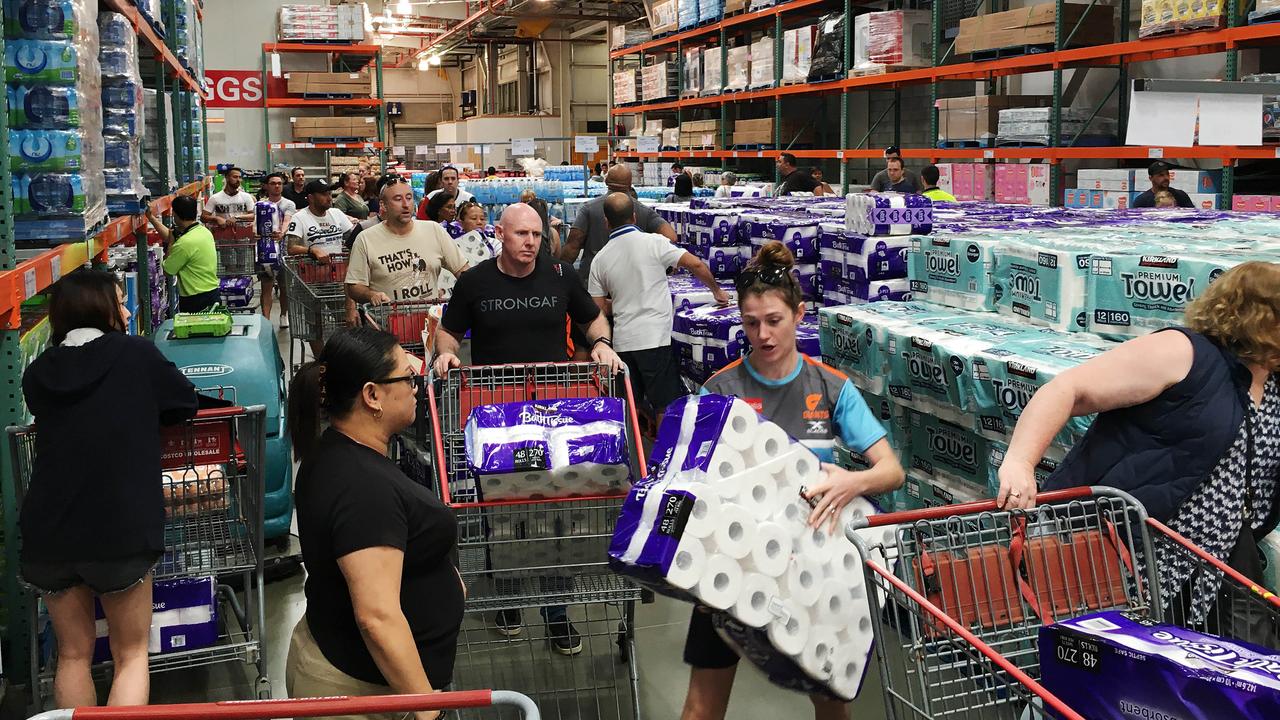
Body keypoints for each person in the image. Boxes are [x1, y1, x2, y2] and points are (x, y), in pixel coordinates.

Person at [680, 241, 904, 720]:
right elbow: (690, 487)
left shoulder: (829, 387)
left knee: (830, 704)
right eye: (750, 322)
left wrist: (852, 483)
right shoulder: (719, 390)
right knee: (702, 708)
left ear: (799, 315)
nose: (762, 334)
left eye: (774, 321)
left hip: (810, 571)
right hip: (733, 569)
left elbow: (891, 469)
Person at [996, 261, 1279, 636]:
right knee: (1108, 671)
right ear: (1261, 317)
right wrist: (1019, 461)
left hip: (1218, 564)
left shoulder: (1272, 384)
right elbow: (1068, 390)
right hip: (1128, 549)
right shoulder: (1183, 353)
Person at [433, 204, 623, 655]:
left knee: (557, 509)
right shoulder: (475, 281)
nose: (530, 243)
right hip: (497, 415)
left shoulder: (560, 274)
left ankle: (557, 612)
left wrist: (601, 343)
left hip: (556, 415)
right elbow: (448, 331)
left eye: (537, 235)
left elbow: (592, 316)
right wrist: (446, 354)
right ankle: (510, 600)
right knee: (503, 512)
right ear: (500, 233)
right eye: (521, 234)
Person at [20, 270, 198, 708]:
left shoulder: (39, 373)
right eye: (120, 301)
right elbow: (184, 401)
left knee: (73, 654)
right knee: (131, 654)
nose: (127, 309)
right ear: (101, 307)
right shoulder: (136, 354)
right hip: (120, 526)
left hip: (50, 530)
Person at [287, 327, 463, 719]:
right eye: (406, 377)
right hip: (362, 694)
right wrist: (426, 710)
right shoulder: (363, 488)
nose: (416, 384)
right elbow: (377, 617)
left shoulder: (338, 449)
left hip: (358, 676)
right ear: (372, 395)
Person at [589, 192, 728, 416]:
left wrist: (625, 301)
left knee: (629, 408)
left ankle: (632, 450)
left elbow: (598, 308)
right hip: (655, 340)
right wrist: (717, 291)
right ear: (634, 217)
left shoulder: (600, 259)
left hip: (623, 344)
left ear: (606, 222)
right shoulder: (655, 243)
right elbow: (696, 265)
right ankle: (662, 450)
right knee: (665, 405)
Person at [346, 178, 468, 305]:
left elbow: (462, 270)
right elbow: (354, 286)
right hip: (387, 321)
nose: (405, 204)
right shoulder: (365, 239)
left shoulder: (434, 230)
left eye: (409, 198)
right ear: (383, 205)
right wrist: (371, 295)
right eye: (398, 199)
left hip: (429, 319)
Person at [561, 164, 677, 289]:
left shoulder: (589, 209)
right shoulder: (643, 211)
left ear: (606, 181)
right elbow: (671, 237)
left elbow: (572, 246)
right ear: (629, 184)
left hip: (593, 283)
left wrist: (558, 276)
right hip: (630, 283)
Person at [147, 195, 219, 313]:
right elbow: (171, 236)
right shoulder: (203, 232)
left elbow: (168, 270)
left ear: (174, 214)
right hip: (212, 292)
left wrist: (170, 244)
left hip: (195, 299)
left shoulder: (185, 243)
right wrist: (151, 218)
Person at [256, 172, 296, 325]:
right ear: (266, 186)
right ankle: (265, 320)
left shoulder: (288, 204)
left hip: (284, 251)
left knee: (284, 286)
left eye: (279, 183)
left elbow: (288, 219)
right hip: (265, 251)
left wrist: (282, 232)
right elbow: (254, 222)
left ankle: (283, 314)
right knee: (266, 285)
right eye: (273, 183)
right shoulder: (260, 205)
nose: (277, 186)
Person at [286, 179, 355, 263]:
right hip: (312, 271)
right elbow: (291, 248)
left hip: (337, 269)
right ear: (311, 198)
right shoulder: (299, 218)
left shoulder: (337, 213)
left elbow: (352, 238)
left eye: (329, 194)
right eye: (324, 195)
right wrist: (312, 250)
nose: (329, 198)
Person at [202, 167, 255, 232]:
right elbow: (203, 217)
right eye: (235, 177)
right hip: (223, 235)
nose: (238, 180)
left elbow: (252, 216)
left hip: (243, 234)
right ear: (227, 178)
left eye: (240, 177)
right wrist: (216, 218)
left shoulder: (246, 196)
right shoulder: (215, 198)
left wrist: (237, 218)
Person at [519, 189, 561, 256]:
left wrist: (554, 223)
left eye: (529, 201)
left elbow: (557, 220)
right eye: (525, 201)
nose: (527, 203)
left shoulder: (543, 214)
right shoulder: (518, 214)